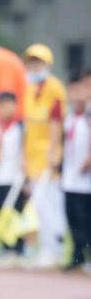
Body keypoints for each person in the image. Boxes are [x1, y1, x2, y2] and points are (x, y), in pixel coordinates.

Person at [22, 43, 67, 268]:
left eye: (38, 62)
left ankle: (54, 249)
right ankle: (45, 248)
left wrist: (54, 152)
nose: (34, 66)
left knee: (50, 203)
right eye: (31, 62)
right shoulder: (28, 88)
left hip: (48, 155)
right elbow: (27, 125)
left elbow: (56, 121)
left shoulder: (55, 87)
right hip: (32, 156)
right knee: (39, 205)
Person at [0, 92, 25, 261]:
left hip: (14, 179)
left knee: (14, 215)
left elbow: (23, 155)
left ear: (15, 106)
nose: (3, 109)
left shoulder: (20, 129)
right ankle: (5, 246)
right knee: (0, 215)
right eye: (0, 106)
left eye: (7, 105)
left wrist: (24, 179)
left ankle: (18, 248)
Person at [61, 73, 91, 271]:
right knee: (72, 217)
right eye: (72, 90)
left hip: (86, 179)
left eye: (80, 89)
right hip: (70, 177)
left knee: (86, 219)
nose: (75, 94)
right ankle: (77, 255)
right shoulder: (70, 116)